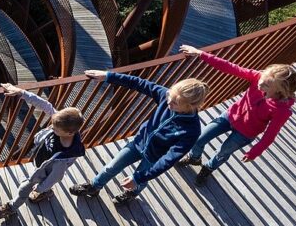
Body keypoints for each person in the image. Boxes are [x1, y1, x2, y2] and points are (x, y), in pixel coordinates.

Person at [70, 70, 208, 204]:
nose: (168, 102)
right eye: (169, 97)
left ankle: (132, 193)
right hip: (138, 143)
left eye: (174, 103)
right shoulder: (167, 96)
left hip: (154, 157)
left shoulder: (191, 131)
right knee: (111, 166)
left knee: (140, 181)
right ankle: (94, 186)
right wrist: (108, 76)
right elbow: (139, 83)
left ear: (190, 106)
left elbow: (168, 160)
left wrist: (138, 178)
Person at [176, 45, 296, 185]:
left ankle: (208, 168)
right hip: (230, 116)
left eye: (266, 85)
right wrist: (200, 53)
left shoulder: (282, 110)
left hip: (245, 133)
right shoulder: (258, 77)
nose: (260, 84)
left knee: (223, 152)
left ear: (280, 91)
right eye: (262, 79)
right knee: (199, 138)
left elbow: (270, 135)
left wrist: (254, 152)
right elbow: (230, 67)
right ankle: (194, 158)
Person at [0, 83, 85, 219]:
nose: (51, 128)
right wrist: (21, 92)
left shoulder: (62, 158)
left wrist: (41, 187)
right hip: (42, 163)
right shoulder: (63, 124)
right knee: (37, 185)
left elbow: (56, 176)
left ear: (69, 133)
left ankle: (11, 207)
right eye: (52, 124)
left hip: (42, 173)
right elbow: (45, 105)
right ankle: (45, 193)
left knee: (24, 188)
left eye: (55, 129)